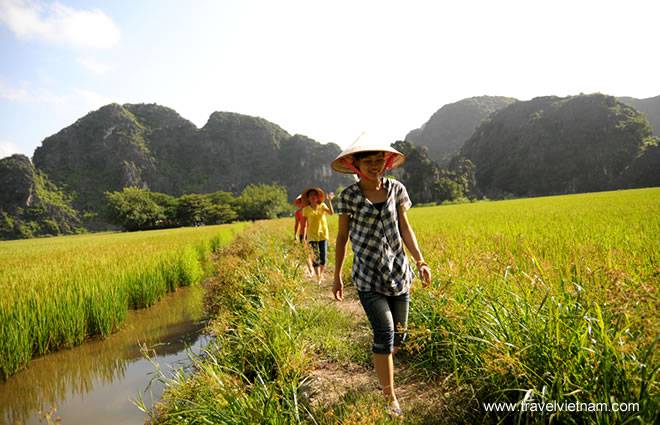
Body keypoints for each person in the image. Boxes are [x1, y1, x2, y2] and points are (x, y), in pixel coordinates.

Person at [331, 134, 432, 416]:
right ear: (356, 164)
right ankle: (390, 398)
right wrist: (337, 275)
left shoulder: (396, 189)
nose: (375, 165)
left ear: (386, 163)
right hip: (368, 276)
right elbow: (342, 238)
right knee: (385, 333)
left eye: (379, 160)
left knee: (399, 335)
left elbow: (405, 227)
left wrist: (421, 260)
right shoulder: (349, 197)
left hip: (399, 272)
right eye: (369, 161)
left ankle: (381, 359)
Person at [301, 187, 334, 284]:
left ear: (317, 197)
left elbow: (331, 213)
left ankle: (321, 274)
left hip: (323, 234)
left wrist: (330, 201)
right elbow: (304, 225)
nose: (313, 197)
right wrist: (303, 237)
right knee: (315, 257)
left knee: (323, 257)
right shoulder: (306, 210)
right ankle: (318, 277)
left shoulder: (323, 206)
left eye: (314, 195)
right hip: (312, 236)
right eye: (310, 195)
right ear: (308, 198)